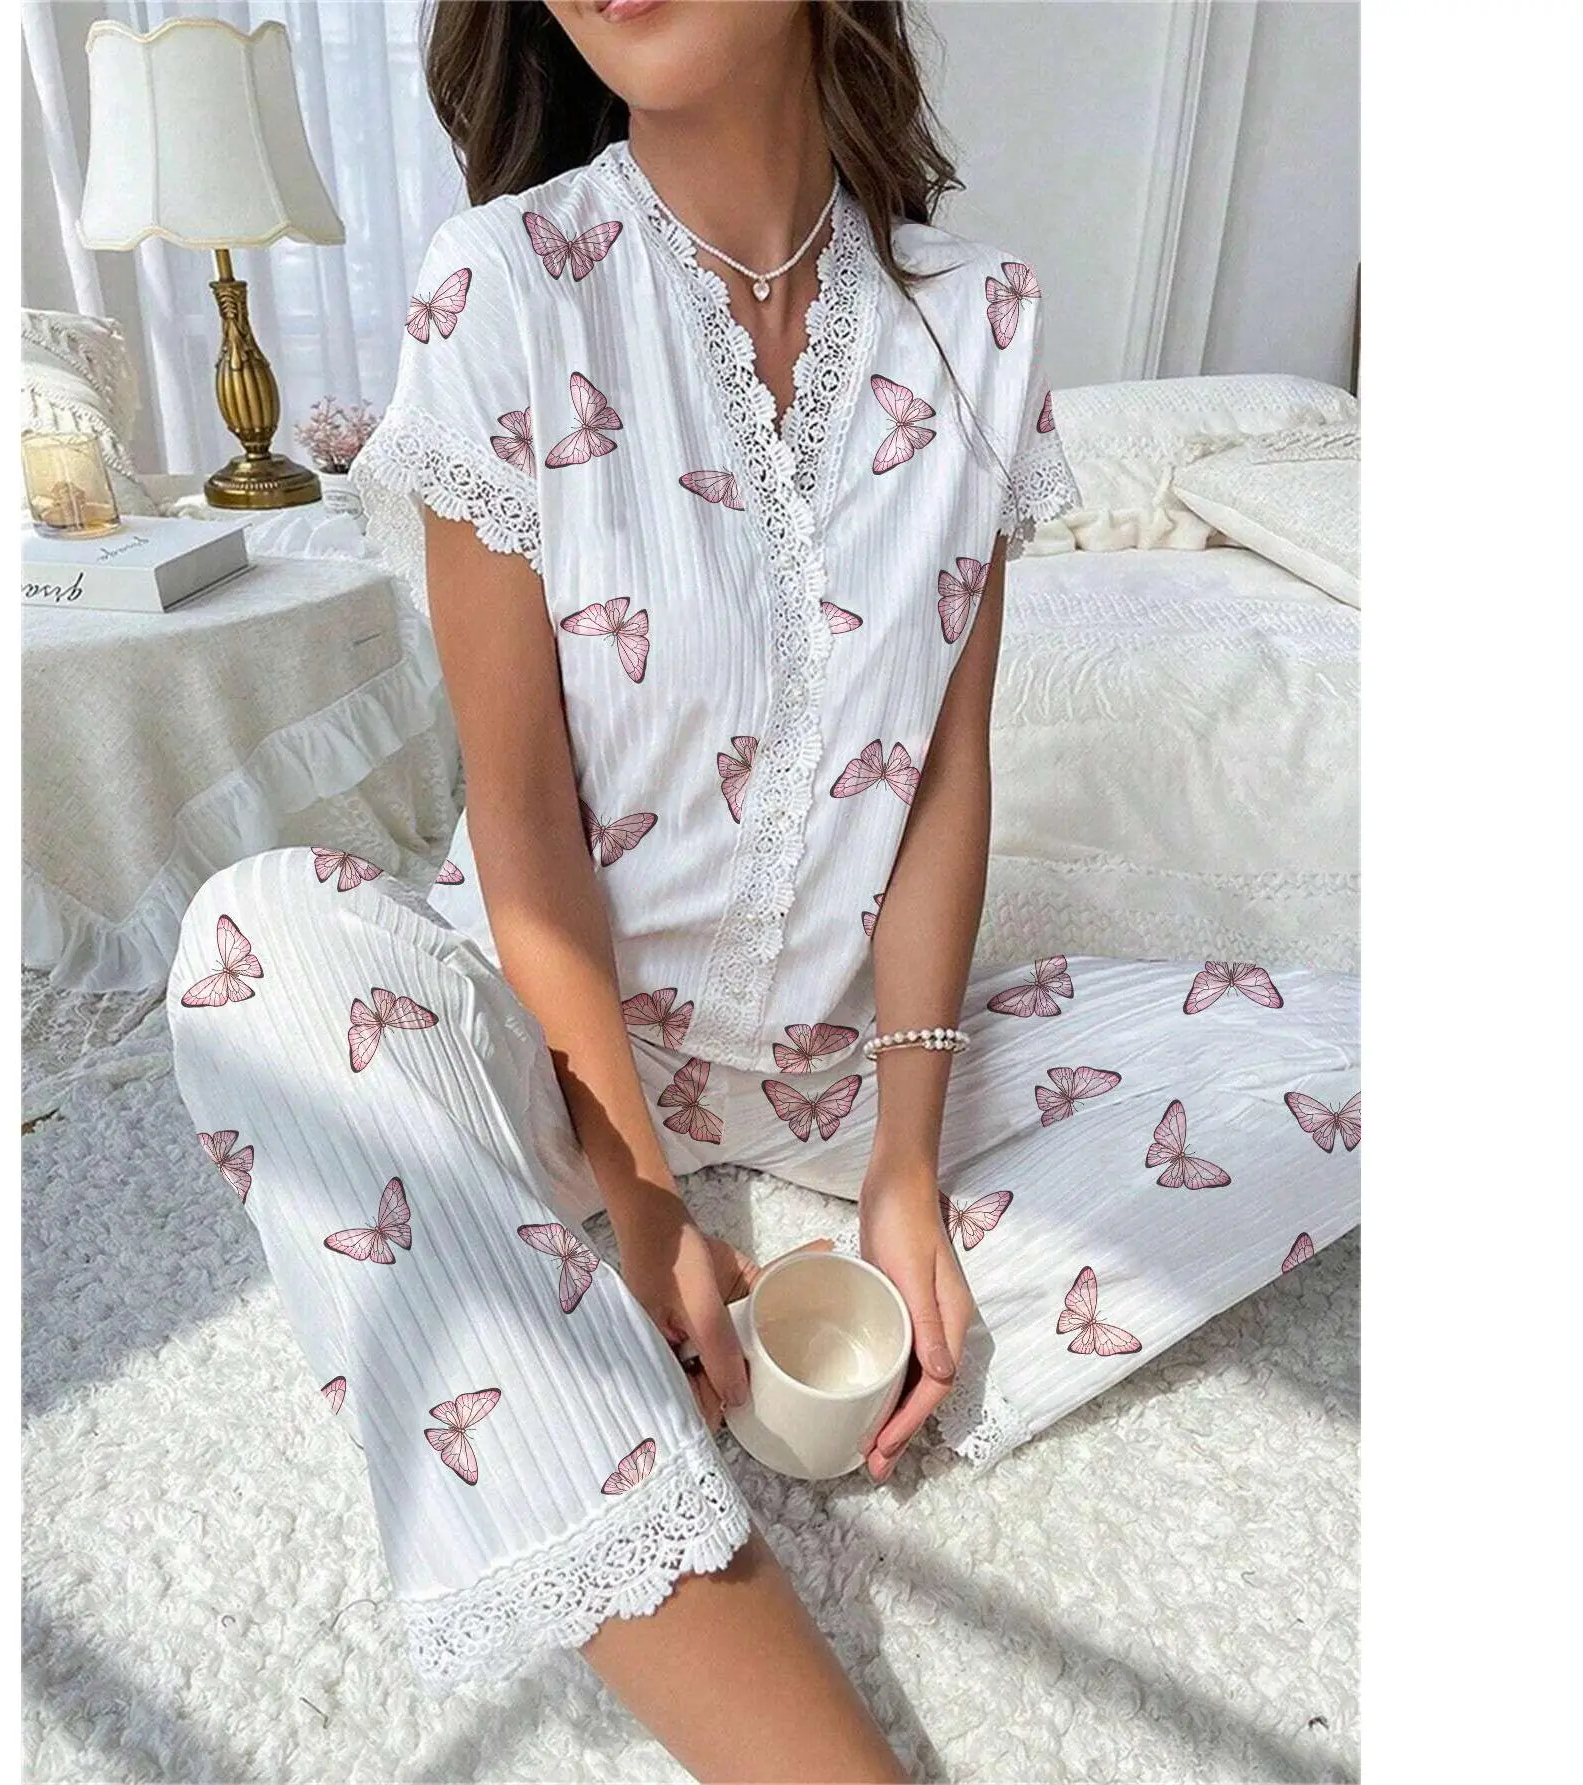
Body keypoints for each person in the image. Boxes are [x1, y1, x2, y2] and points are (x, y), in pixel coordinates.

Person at [165, 3, 1360, 1778]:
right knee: (257, 944)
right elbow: (522, 814)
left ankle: (716, 1317)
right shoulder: (507, 289)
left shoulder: (982, 320)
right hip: (554, 1064)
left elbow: (945, 777)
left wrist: (906, 1161)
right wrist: (644, 1197)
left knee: (1353, 1053)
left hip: (832, 1066)